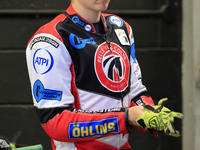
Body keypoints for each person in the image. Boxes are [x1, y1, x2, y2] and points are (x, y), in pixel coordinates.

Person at [26, 0, 183, 149]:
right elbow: (54, 121)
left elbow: (135, 92)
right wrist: (125, 117)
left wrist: (148, 111)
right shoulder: (51, 39)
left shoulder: (121, 27)